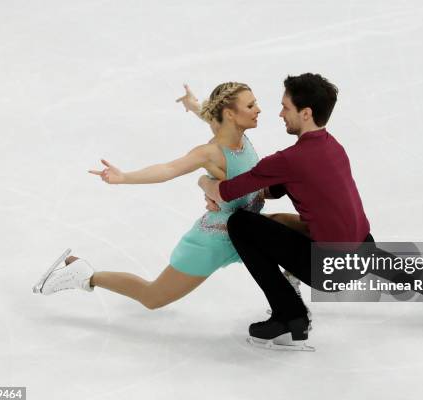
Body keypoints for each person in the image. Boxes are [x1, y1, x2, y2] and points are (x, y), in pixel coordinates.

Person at [198, 73, 423, 351]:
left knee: (242, 225)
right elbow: (274, 189)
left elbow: (225, 192)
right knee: (281, 224)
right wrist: (258, 185)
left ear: (306, 113)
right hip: (362, 248)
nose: (280, 114)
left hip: (329, 268)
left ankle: (289, 316)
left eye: (286, 107)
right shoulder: (331, 147)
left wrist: (204, 181)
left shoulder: (289, 160)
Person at [32, 82, 301, 311]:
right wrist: (125, 177)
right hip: (216, 239)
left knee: (297, 226)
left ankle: (296, 280)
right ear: (230, 114)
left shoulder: (235, 133)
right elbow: (169, 169)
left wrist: (193, 104)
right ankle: (87, 275)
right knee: (152, 297)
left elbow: (211, 117)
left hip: (248, 227)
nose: (259, 110)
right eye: (251, 105)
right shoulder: (212, 152)